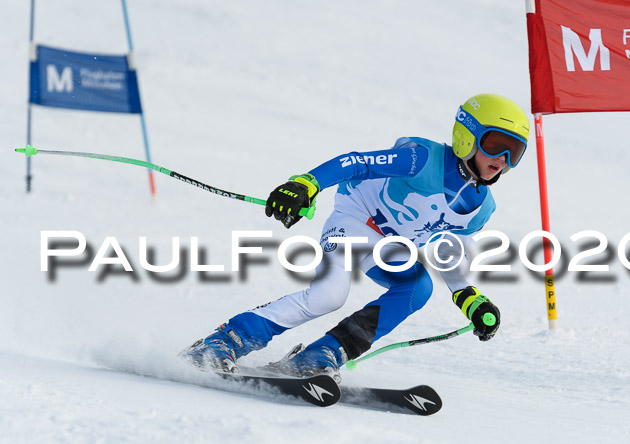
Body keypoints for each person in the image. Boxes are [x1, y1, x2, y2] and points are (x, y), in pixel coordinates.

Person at [182, 93, 530, 381]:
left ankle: (323, 354)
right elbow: (356, 162)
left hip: (389, 246)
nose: (502, 160)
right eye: (496, 145)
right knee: (328, 296)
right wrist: (306, 183)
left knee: (417, 288)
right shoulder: (421, 159)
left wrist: (470, 298)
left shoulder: (480, 207)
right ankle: (223, 342)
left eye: (514, 152)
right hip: (354, 221)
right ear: (467, 135)